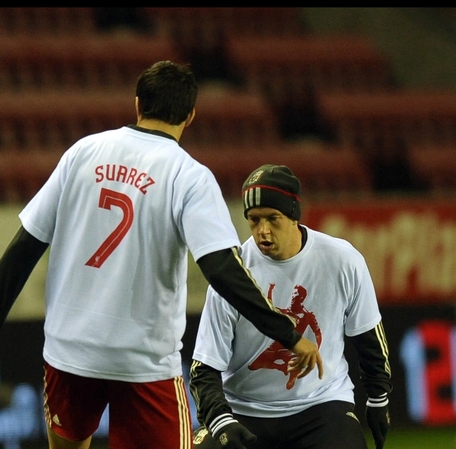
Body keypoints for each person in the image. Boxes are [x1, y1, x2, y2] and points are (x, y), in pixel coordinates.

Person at [0, 60, 322, 449]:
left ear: (137, 104)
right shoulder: (189, 176)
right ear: (190, 116)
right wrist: (287, 332)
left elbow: (23, 250)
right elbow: (221, 268)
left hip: (70, 351)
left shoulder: (81, 153)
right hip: (143, 363)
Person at [189, 164, 392, 449]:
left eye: (273, 218)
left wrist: (378, 399)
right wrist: (221, 419)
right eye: (254, 219)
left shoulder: (342, 260)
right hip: (245, 410)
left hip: (321, 407)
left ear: (294, 215)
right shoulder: (233, 274)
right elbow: (203, 368)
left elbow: (369, 338)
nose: (263, 231)